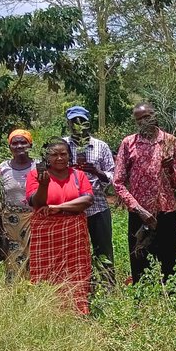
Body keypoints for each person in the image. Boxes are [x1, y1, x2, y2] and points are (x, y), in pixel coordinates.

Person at [114, 103, 176, 283]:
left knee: (170, 263)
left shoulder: (169, 141)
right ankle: (143, 307)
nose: (143, 122)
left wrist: (170, 169)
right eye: (138, 119)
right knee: (140, 265)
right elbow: (118, 182)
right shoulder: (129, 143)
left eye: (147, 116)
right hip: (140, 216)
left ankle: (170, 305)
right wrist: (138, 209)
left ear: (155, 115)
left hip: (165, 212)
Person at [27, 139, 93, 314]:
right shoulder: (35, 175)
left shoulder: (78, 176)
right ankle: (49, 312)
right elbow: (36, 203)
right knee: (46, 272)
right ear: (47, 157)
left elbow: (87, 200)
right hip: (46, 234)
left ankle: (78, 310)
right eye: (54, 154)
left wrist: (58, 207)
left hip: (74, 234)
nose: (59, 158)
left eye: (63, 154)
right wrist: (44, 185)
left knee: (75, 271)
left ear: (69, 155)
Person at [63, 105, 116, 283]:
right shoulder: (61, 146)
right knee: (73, 251)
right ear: (68, 124)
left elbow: (113, 176)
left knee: (104, 250)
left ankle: (107, 287)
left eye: (82, 121)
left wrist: (96, 172)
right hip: (70, 209)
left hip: (98, 207)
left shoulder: (101, 146)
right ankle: (79, 286)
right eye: (74, 122)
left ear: (88, 123)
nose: (78, 125)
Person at [0, 129, 35, 281]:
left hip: (34, 217)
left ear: (30, 145)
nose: (19, 146)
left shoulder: (38, 166)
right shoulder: (3, 167)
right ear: (10, 147)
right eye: (15, 143)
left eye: (23, 142)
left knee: (34, 253)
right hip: (10, 219)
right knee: (12, 253)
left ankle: (34, 287)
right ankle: (14, 289)